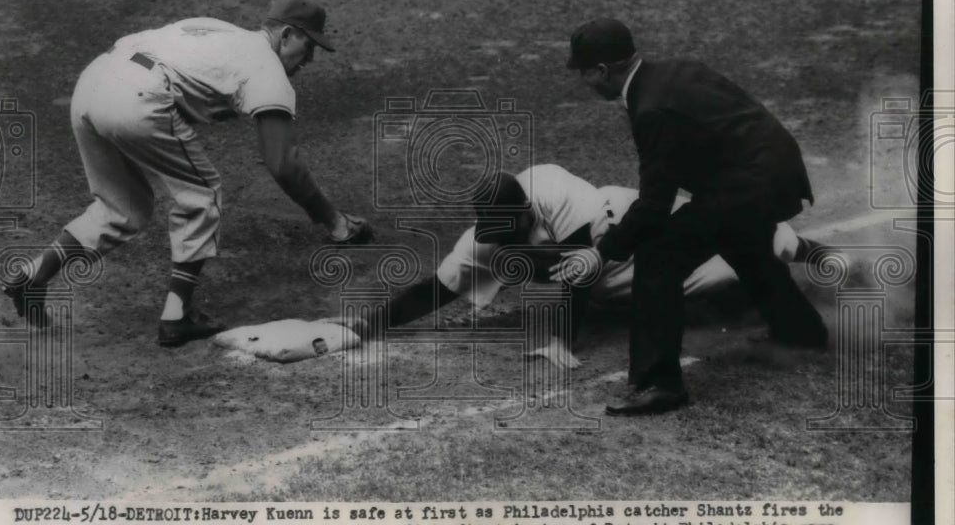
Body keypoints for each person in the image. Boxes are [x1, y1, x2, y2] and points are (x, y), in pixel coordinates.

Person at [0, 0, 372, 347]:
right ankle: (177, 316)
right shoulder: (268, 70)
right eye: (309, 46)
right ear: (287, 34)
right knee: (203, 195)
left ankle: (33, 275)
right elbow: (283, 164)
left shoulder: (218, 29)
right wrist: (334, 221)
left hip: (93, 82)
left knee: (123, 209)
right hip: (137, 97)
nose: (310, 59)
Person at [560, 18, 829, 416]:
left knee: (658, 254)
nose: (584, 82)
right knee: (743, 240)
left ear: (601, 70)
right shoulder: (678, 69)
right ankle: (801, 331)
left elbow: (655, 203)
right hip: (775, 170)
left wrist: (602, 252)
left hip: (747, 185)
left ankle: (659, 384)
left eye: (584, 72)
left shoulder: (650, 109)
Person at [341, 164, 824, 363]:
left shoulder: (551, 189)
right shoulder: (483, 239)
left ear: (527, 210)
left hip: (636, 237)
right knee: (673, 298)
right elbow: (436, 289)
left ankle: (821, 257)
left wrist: (560, 341)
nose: (501, 239)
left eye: (511, 228)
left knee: (750, 242)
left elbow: (578, 265)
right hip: (613, 286)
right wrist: (368, 324)